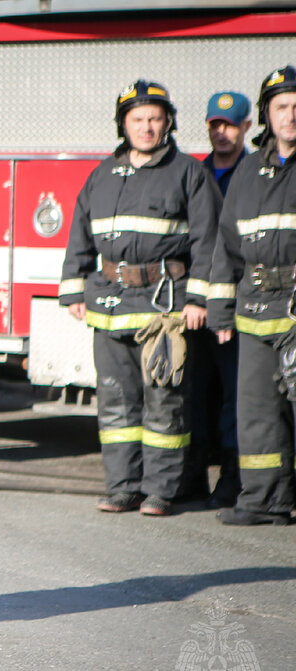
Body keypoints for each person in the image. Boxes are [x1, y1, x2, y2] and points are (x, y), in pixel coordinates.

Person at [59, 80, 219, 517]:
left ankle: (162, 490)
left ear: (167, 123)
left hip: (164, 308)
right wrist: (74, 285)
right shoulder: (103, 174)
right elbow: (79, 233)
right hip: (110, 304)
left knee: (164, 401)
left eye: (154, 118)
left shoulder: (189, 173)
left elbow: (209, 241)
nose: (146, 127)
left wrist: (199, 300)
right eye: (137, 119)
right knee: (115, 400)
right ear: (123, 124)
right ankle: (122, 487)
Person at [207, 65, 296, 526]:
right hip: (256, 310)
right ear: (266, 114)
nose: (291, 114)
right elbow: (227, 246)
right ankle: (265, 501)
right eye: (282, 106)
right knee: (258, 412)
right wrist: (221, 311)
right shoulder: (248, 172)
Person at [189, 91, 252, 507]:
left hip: (238, 303)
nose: (221, 132)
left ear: (247, 126)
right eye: (215, 124)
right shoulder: (194, 173)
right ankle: (191, 474)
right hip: (196, 302)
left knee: (235, 391)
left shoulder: (256, 172)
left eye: (229, 124)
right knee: (194, 389)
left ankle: (232, 476)